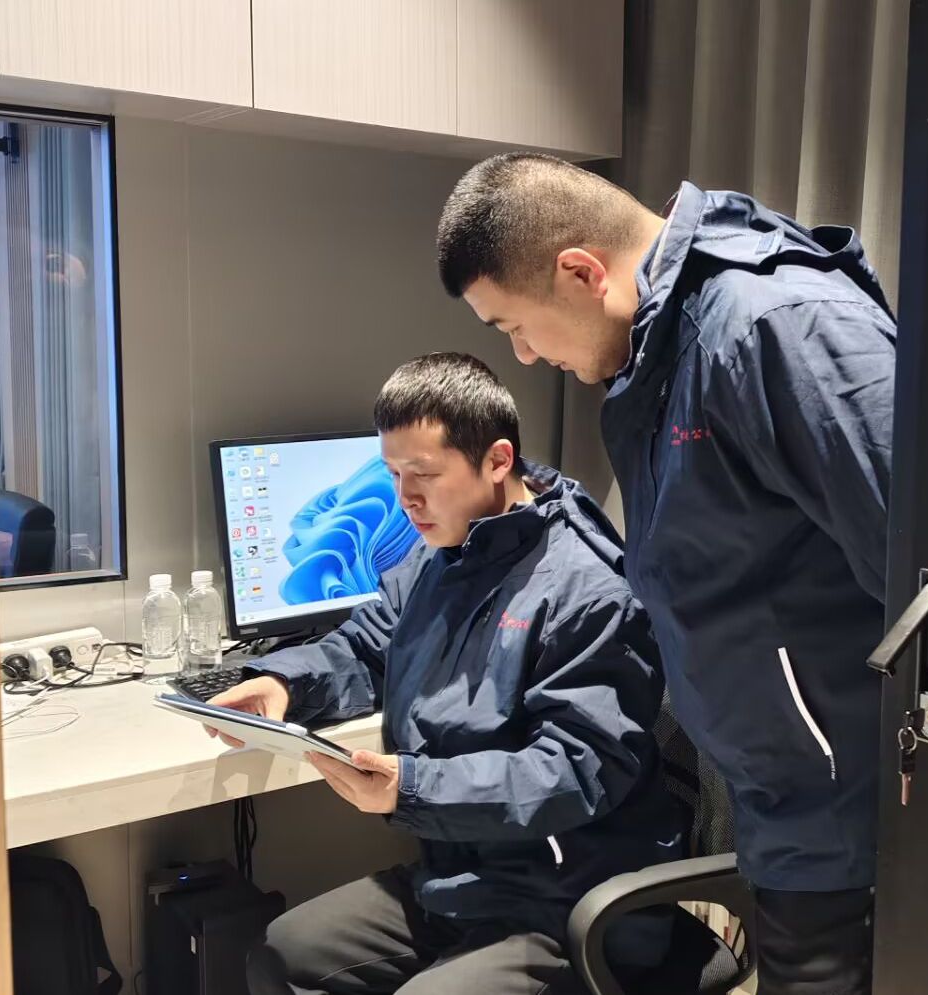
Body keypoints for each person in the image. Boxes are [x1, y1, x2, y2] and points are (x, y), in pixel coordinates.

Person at [436, 154, 896, 994]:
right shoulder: (662, 352)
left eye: (515, 326)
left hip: (848, 827)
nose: (525, 356)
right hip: (785, 813)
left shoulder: (769, 326)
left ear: (582, 273)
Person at [204, 352, 682, 995]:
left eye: (424, 474)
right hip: (464, 877)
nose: (404, 498)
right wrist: (283, 682)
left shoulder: (588, 591)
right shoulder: (441, 555)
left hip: (567, 896)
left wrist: (413, 788)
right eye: (393, 473)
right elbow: (366, 647)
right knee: (283, 954)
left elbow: (574, 771)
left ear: (498, 460)